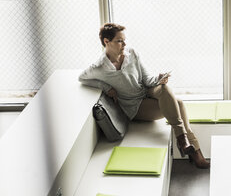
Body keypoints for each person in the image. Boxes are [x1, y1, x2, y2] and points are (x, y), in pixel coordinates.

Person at [79, 23, 210, 169]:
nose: (124, 44)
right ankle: (192, 149)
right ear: (106, 42)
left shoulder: (131, 53)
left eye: (124, 40)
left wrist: (159, 79)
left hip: (146, 91)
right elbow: (82, 78)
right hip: (134, 106)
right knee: (178, 104)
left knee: (164, 88)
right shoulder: (99, 67)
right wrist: (106, 87)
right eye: (119, 41)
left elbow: (147, 79)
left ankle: (183, 141)